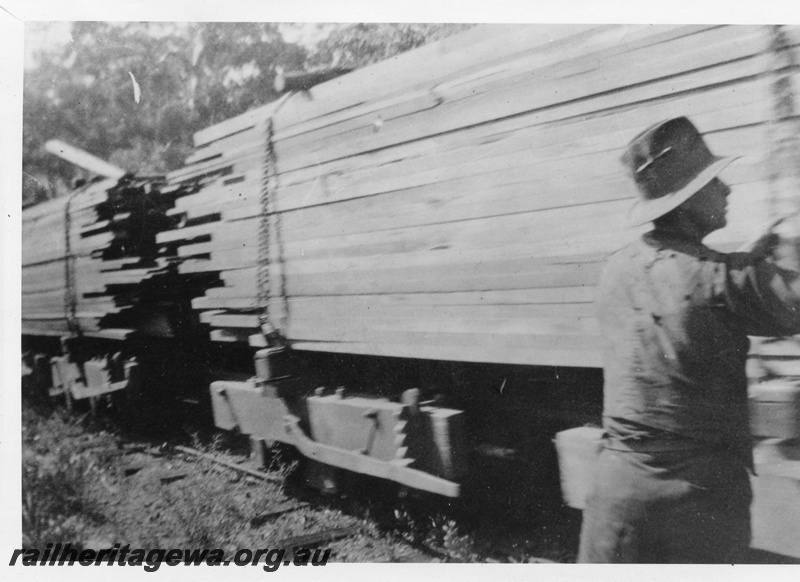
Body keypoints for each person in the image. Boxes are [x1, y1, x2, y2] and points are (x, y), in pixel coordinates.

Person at [577, 116, 800, 563]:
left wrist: (746, 265)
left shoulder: (615, 269)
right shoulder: (725, 278)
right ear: (687, 201)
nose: (727, 190)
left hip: (614, 498)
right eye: (714, 181)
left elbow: (679, 296)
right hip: (694, 506)